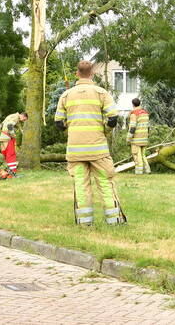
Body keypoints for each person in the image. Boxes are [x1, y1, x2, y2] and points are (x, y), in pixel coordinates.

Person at [54, 60, 126, 226]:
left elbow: (58, 123)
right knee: (105, 184)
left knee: (81, 185)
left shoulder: (66, 95)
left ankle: (85, 222)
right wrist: (104, 131)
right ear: (92, 74)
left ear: (77, 73)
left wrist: (71, 132)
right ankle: (114, 221)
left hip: (75, 151)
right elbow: (113, 118)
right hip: (98, 150)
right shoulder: (101, 93)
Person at [0, 111, 28, 178]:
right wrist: (13, 135)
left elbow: (4, 125)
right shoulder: (15, 117)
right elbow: (10, 125)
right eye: (24, 119)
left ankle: (4, 173)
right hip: (8, 137)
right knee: (11, 155)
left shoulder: (13, 116)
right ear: (23, 116)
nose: (23, 121)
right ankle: (12, 173)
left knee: (5, 155)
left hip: (3, 137)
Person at [128, 98, 151, 174]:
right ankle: (147, 170)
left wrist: (128, 138)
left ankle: (139, 171)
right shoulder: (145, 113)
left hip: (136, 139)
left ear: (133, 104)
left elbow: (132, 128)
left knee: (137, 155)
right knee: (143, 155)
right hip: (144, 138)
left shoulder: (134, 114)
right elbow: (148, 127)